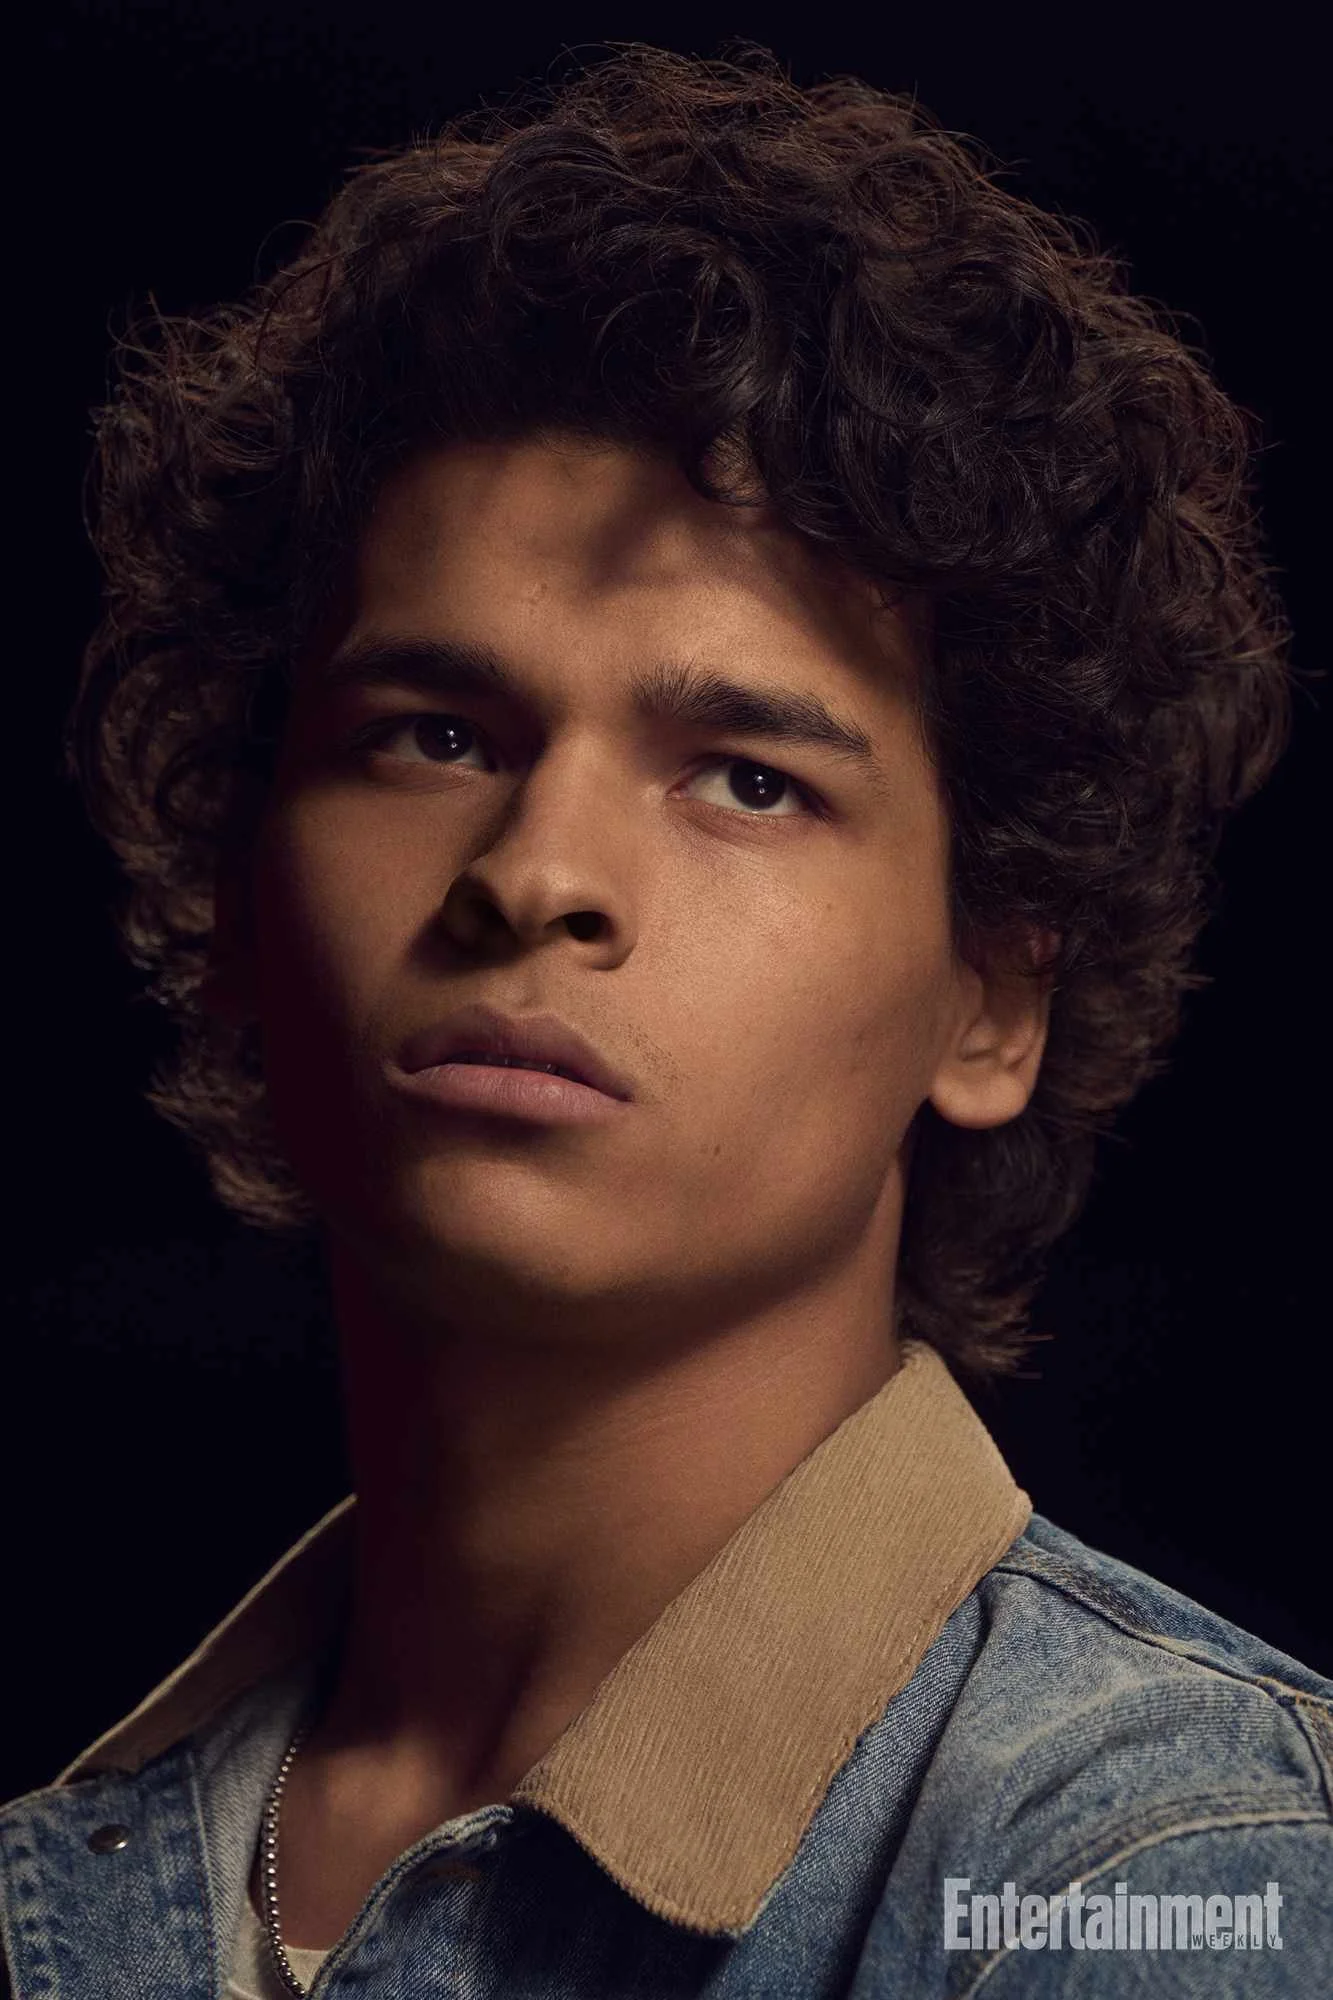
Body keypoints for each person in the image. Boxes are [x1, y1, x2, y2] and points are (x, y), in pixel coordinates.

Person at [0, 41, 1327, 2000]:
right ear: (236, 892)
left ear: (989, 999)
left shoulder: (1154, 1863)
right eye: (435, 736)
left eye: (747, 779)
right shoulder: (68, 1881)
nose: (536, 871)